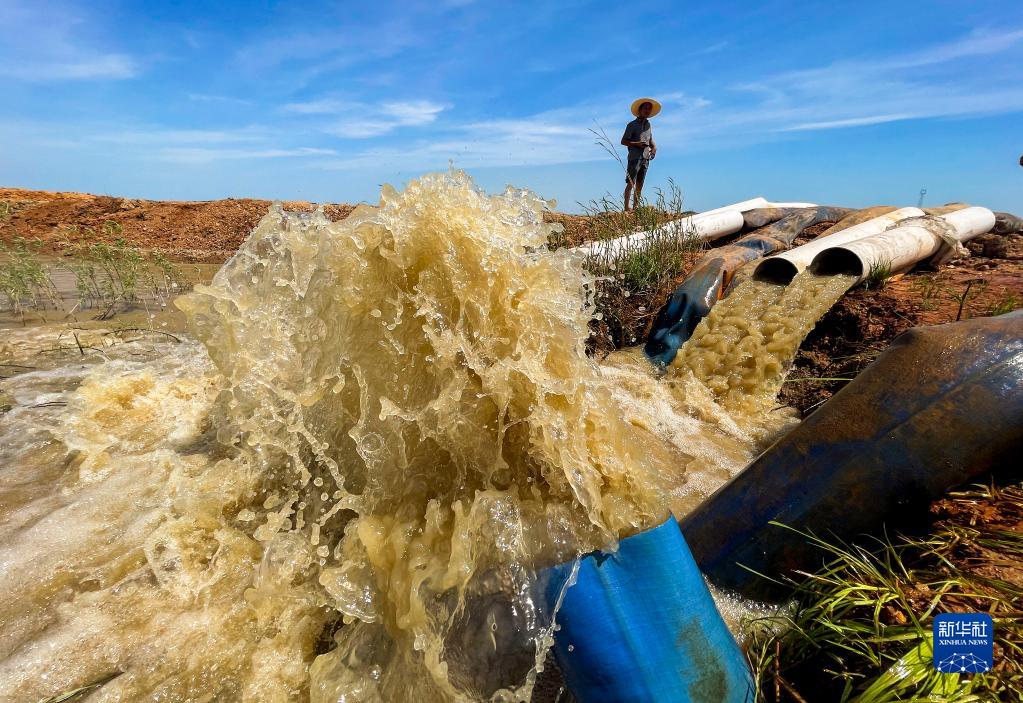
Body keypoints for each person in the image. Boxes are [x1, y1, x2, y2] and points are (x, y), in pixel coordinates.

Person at [620, 97, 660, 212]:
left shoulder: (648, 124)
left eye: (649, 109)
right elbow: (623, 141)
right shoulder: (632, 125)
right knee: (631, 183)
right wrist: (637, 144)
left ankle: (636, 208)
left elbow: (650, 139)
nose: (647, 110)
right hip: (634, 158)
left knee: (640, 184)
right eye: (645, 108)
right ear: (640, 109)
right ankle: (626, 208)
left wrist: (654, 148)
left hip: (645, 158)